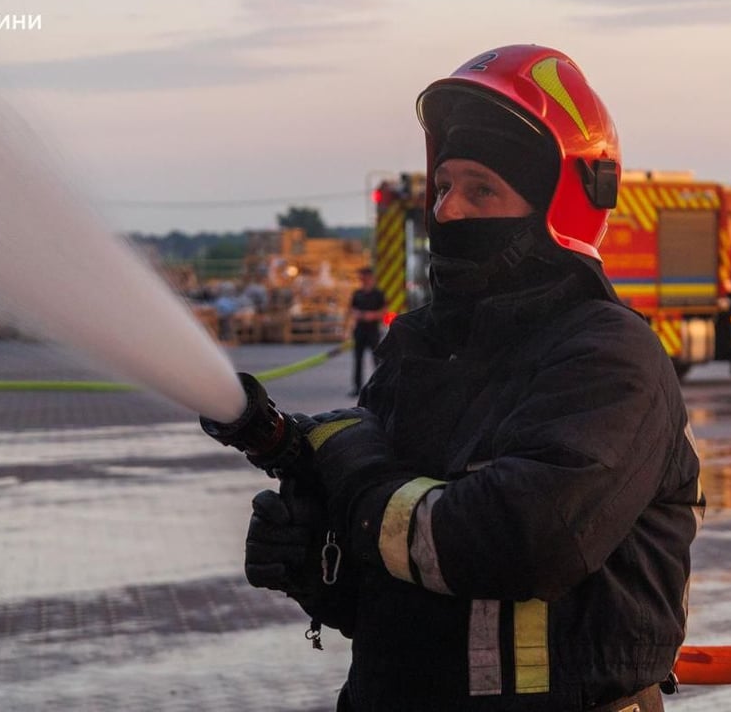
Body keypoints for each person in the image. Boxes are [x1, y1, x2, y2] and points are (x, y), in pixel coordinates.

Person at [237, 45, 704, 711]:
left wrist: (355, 477)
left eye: (482, 188)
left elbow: (517, 543)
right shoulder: (419, 348)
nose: (449, 210)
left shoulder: (608, 358)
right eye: (445, 185)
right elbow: (402, 583)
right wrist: (316, 560)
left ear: (561, 205)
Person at [349, 266, 386, 395]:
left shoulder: (378, 294)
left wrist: (371, 315)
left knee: (376, 360)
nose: (364, 280)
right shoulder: (357, 294)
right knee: (358, 360)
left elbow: (383, 311)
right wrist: (358, 315)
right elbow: (352, 310)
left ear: (371, 278)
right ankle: (357, 387)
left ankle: (379, 386)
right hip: (360, 331)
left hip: (373, 331)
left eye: (365, 277)